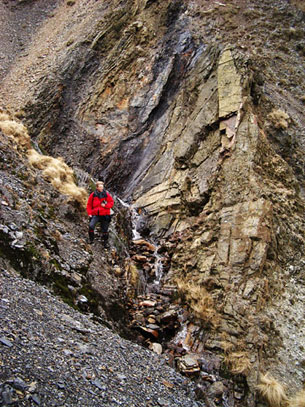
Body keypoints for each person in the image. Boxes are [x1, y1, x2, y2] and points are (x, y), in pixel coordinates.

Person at [86, 181, 114, 246]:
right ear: (97, 187)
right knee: (91, 226)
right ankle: (91, 239)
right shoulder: (93, 195)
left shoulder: (106, 194)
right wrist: (89, 213)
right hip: (96, 214)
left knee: (105, 229)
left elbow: (111, 202)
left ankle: (105, 243)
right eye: (100, 187)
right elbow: (89, 205)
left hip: (105, 214)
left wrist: (106, 206)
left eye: (102, 187)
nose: (102, 188)